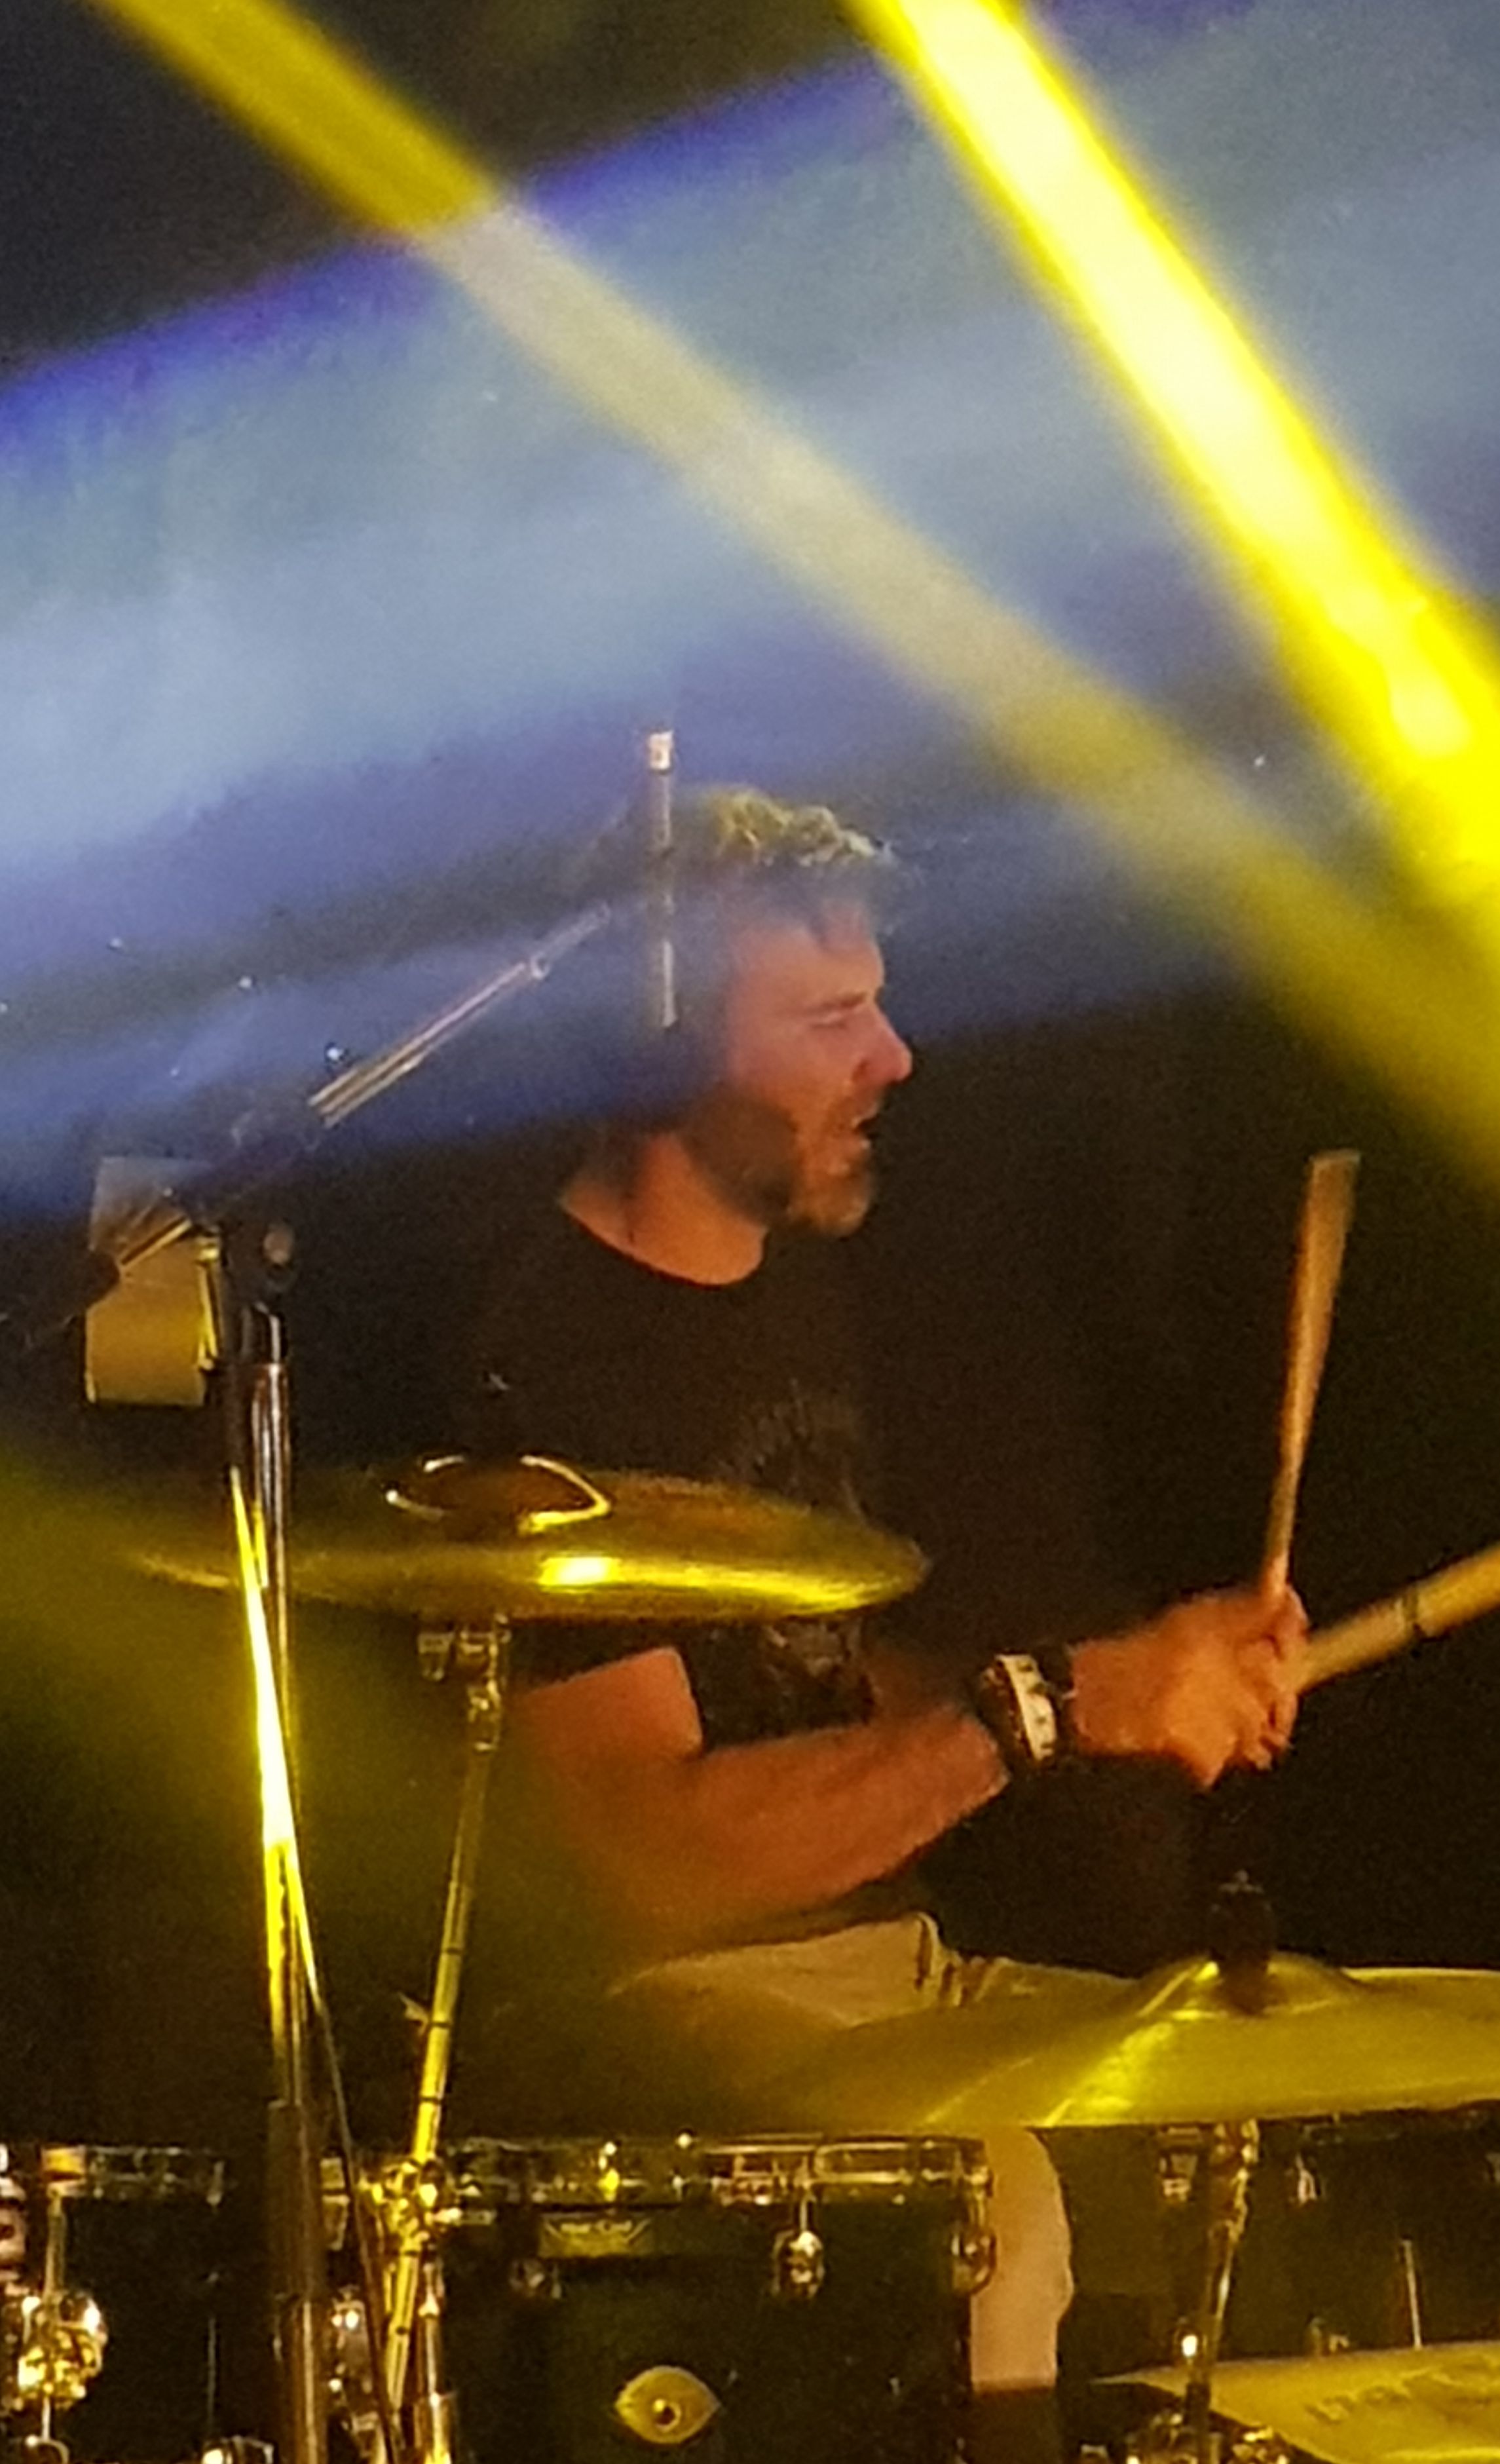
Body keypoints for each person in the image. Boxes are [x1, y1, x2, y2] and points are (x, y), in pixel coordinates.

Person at [460, 786, 1306, 2464]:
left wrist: (1153, 1681)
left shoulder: (793, 1286)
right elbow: (648, 1857)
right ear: (665, 1053)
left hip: (887, 1970)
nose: (895, 1057)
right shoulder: (533, 1371)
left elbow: (807, 1690)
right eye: (830, 1017)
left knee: (1232, 2115)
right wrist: (1052, 1705)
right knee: (990, 2200)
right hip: (668, 2006)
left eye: (881, 1004)